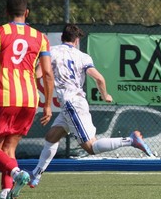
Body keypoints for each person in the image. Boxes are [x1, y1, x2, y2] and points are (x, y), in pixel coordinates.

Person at [29, 24, 153, 188]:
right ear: (77, 40)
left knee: (91, 147)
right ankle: (36, 174)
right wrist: (105, 95)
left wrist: (42, 90)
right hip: (74, 103)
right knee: (51, 137)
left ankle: (131, 140)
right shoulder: (83, 56)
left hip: (71, 103)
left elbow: (37, 74)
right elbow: (100, 79)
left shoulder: (52, 51)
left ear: (61, 38)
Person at [0, 0, 54, 199]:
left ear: (6, 12)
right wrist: (47, 104)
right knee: (8, 150)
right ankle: (5, 196)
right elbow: (47, 73)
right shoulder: (40, 37)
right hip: (29, 99)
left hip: (4, 96)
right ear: (26, 13)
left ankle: (17, 172)